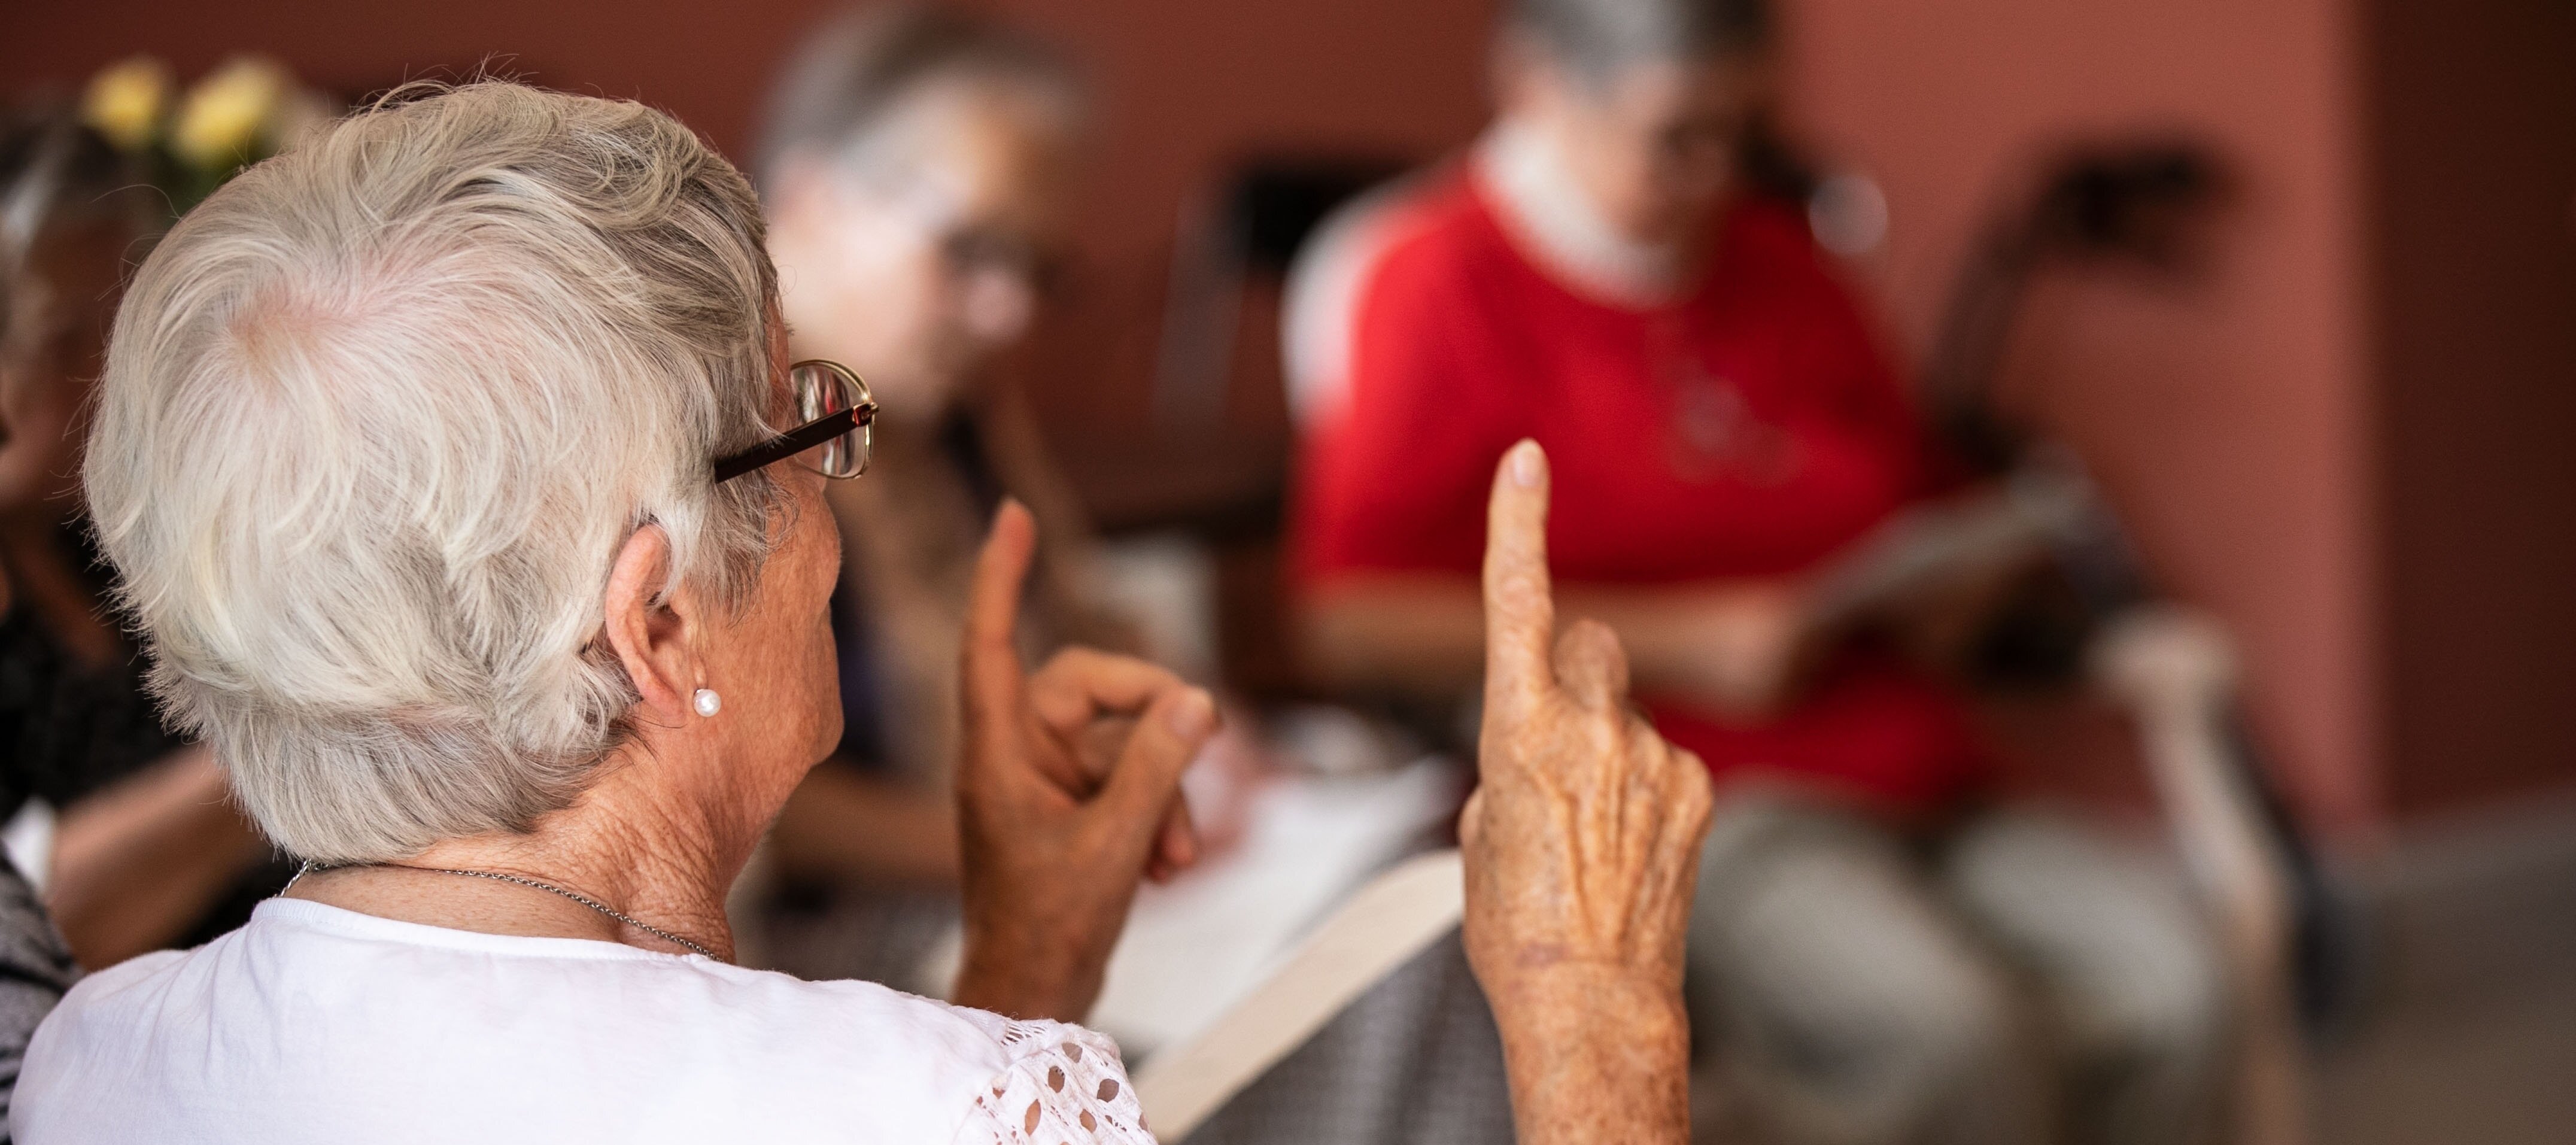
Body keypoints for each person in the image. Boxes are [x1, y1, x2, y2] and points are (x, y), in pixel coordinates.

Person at [11, 83, 1713, 1145]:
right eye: (805, 421)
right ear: (657, 627)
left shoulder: (95, 1056)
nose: (845, 479)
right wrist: (1591, 1017)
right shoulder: (921, 1113)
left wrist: (1026, 968)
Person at [1286, 1, 2229, 1142]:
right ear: (1537, 86)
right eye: (1679, 136)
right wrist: (1690, 640)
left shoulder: (1786, 265)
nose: (1721, 173)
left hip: (1910, 755)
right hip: (1694, 788)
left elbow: (1909, 489)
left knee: (2181, 986)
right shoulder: (1437, 285)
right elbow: (1347, 619)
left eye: (1749, 135)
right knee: (1946, 1034)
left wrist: (1947, 587)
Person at [750, 8, 1157, 964]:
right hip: (836, 950)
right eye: (968, 250)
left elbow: (1070, 616)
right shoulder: (729, 426)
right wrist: (1034, 850)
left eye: (1035, 266)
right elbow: (757, 798)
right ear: (814, 199)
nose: (1010, 312)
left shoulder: (948, 396)